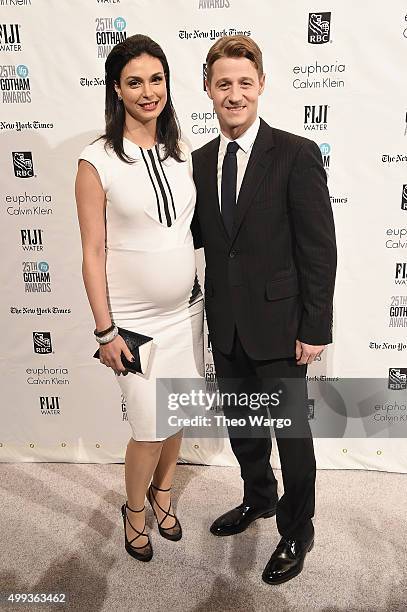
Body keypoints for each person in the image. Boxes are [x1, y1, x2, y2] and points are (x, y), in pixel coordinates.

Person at [191, 35, 336, 584]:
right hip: (225, 324)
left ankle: (298, 528)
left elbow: (319, 248)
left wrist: (315, 326)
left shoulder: (296, 153)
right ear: (208, 88)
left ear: (261, 86)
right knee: (245, 429)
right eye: (223, 83)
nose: (234, 94)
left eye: (243, 83)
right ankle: (259, 498)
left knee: (292, 439)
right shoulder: (201, 162)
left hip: (281, 327)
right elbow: (202, 240)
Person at [75, 34, 204, 562]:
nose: (148, 91)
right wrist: (105, 330)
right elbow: (93, 252)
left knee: (176, 418)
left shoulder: (181, 152)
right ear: (117, 90)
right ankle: (134, 511)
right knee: (148, 427)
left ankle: (164, 495)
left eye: (157, 79)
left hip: (187, 314)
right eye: (135, 82)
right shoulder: (96, 160)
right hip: (135, 324)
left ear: (168, 84)